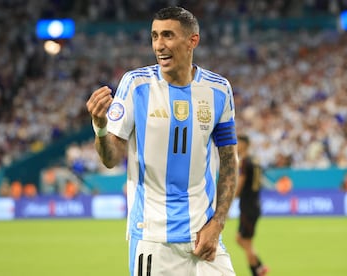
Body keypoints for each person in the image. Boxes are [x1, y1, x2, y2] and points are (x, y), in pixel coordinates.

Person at [86, 6, 238, 276]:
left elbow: (229, 161)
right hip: (153, 238)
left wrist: (218, 224)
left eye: (168, 35)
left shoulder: (218, 89)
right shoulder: (136, 85)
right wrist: (100, 127)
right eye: (155, 36)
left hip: (202, 236)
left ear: (193, 41)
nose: (159, 45)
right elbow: (110, 159)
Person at [235, 134, 269, 276]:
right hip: (255, 203)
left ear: (244, 145)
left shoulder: (245, 162)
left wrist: (231, 196)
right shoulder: (256, 161)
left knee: (245, 241)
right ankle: (260, 267)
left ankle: (257, 270)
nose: (236, 146)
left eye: (238, 143)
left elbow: (240, 184)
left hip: (247, 205)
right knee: (241, 239)